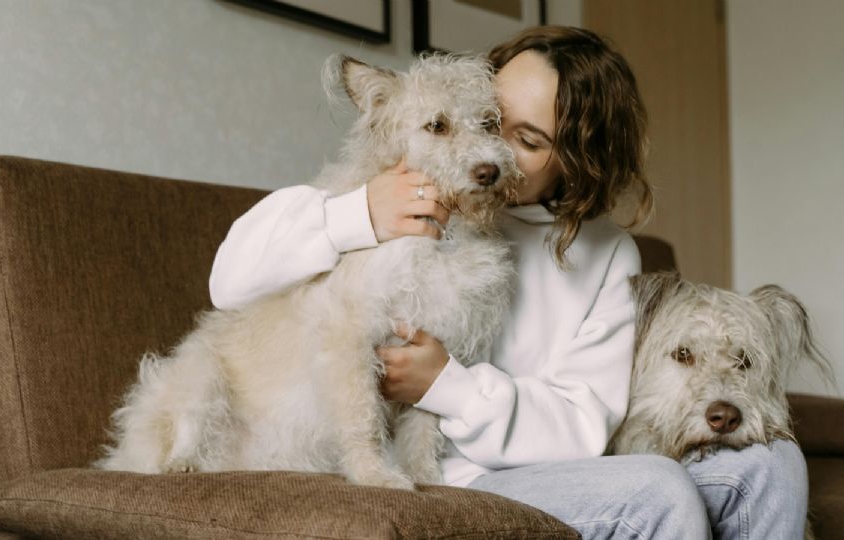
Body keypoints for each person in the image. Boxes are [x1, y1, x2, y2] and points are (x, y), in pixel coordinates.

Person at [209, 26, 808, 540]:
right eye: (491, 118)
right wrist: (359, 212)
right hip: (436, 470)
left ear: (578, 158)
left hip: (529, 464)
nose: (486, 149)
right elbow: (229, 279)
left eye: (527, 141)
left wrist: (448, 386)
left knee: (773, 464)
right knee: (658, 488)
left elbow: (582, 423)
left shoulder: (605, 255)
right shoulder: (400, 187)